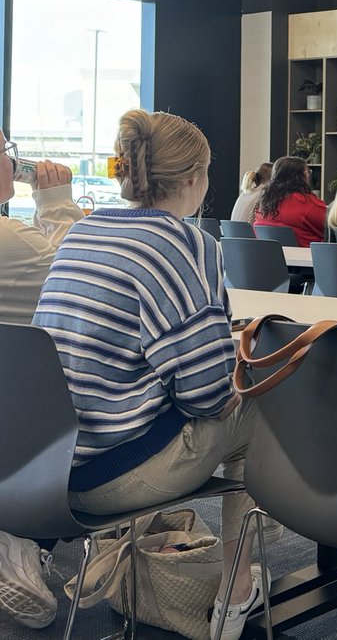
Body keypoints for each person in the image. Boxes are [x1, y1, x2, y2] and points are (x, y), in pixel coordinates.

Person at [29, 110, 267, 640]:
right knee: (262, 401)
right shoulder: (186, 244)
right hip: (117, 477)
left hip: (49, 473)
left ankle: (212, 574)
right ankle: (237, 583)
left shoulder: (83, 233)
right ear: (193, 178)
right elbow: (208, 396)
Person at [0, 131, 83, 630]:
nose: (17, 162)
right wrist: (56, 202)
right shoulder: (8, 242)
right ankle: (20, 537)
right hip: (26, 434)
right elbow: (73, 273)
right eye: (7, 154)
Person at [0, 128, 83, 325]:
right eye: (4, 151)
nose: (13, 162)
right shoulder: (7, 236)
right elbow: (79, 275)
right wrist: (56, 203)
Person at [253, 156, 326, 248]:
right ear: (303, 175)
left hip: (272, 259)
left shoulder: (263, 204)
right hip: (307, 259)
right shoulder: (308, 204)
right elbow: (331, 230)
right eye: (308, 171)